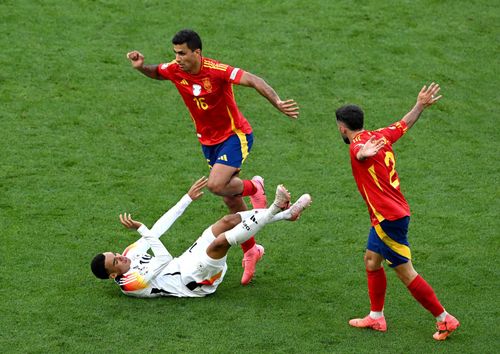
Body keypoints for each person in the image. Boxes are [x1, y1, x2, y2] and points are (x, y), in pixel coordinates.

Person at [126, 29, 299, 285]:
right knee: (230, 200)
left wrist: (277, 101)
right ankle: (251, 249)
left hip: (234, 135)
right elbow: (156, 72)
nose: (178, 58)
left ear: (197, 52)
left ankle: (254, 187)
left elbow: (252, 79)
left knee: (217, 185)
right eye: (175, 53)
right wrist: (141, 67)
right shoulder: (175, 70)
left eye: (182, 53)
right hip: (208, 143)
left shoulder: (216, 70)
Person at [335, 83, 459, 340]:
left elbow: (359, 153)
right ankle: (376, 317)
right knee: (371, 261)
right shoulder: (380, 135)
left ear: (342, 127)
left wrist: (361, 153)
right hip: (388, 214)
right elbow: (404, 123)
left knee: (406, 273)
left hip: (388, 219)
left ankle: (444, 318)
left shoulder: (356, 146)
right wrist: (420, 105)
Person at [90, 177, 311, 298]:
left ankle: (286, 214)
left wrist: (186, 199)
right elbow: (163, 258)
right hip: (193, 281)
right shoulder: (130, 284)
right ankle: (274, 209)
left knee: (229, 221)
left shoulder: (129, 254)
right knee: (220, 242)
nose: (121, 257)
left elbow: (157, 230)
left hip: (185, 260)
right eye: (115, 262)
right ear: (112, 275)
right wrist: (142, 229)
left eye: (115, 254)